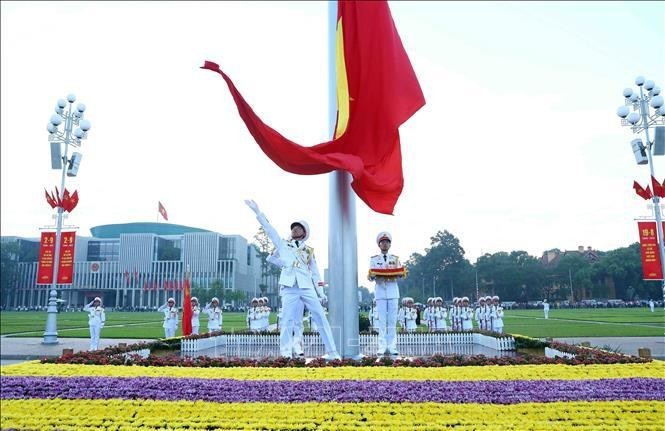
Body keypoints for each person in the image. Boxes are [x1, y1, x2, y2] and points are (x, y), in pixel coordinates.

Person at [245, 199, 340, 360]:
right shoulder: (283, 245)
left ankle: (333, 353)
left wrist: (321, 292)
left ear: (304, 233)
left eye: (299, 227)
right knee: (287, 320)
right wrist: (258, 212)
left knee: (321, 317)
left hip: (306, 287)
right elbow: (270, 230)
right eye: (293, 227)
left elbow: (315, 273)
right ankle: (286, 354)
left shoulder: (309, 250)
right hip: (289, 287)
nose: (295, 229)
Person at [368, 231, 406, 356]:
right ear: (379, 245)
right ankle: (382, 346)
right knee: (382, 320)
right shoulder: (374, 259)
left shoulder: (395, 259)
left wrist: (401, 273)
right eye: (382, 242)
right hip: (380, 292)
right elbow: (371, 276)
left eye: (387, 242)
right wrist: (372, 275)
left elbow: (401, 273)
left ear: (390, 245)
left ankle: (392, 346)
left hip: (393, 291)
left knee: (392, 320)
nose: (385, 244)